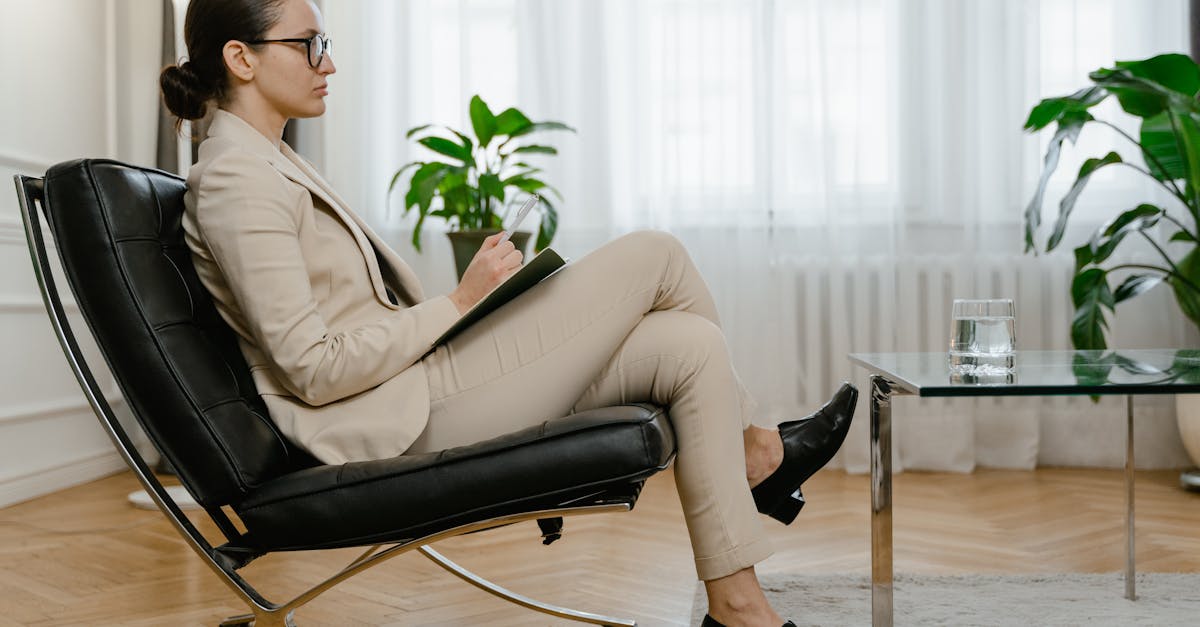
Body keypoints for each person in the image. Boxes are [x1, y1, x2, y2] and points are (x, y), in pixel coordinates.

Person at [159, 1, 856, 625]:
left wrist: (472, 309)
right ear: (241, 57)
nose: (329, 62)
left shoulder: (269, 161)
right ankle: (760, 452)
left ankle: (737, 608)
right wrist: (459, 302)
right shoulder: (235, 179)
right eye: (310, 44)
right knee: (656, 254)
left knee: (689, 344)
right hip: (394, 419)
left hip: (417, 385)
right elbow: (311, 368)